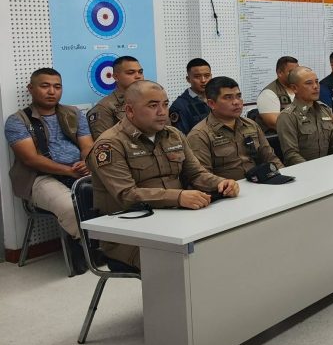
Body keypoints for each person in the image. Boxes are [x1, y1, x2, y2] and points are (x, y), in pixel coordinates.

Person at [88, 80, 239, 270]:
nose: (162, 112)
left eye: (165, 104)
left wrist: (221, 183)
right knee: (185, 266)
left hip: (175, 221)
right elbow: (127, 195)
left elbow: (195, 173)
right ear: (130, 110)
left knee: (224, 246)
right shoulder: (110, 144)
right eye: (153, 106)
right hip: (130, 232)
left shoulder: (173, 135)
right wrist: (178, 197)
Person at [5, 68, 93, 273]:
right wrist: (68, 171)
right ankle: (84, 246)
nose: (52, 91)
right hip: (40, 178)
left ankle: (107, 244)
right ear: (31, 88)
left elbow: (87, 145)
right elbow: (30, 159)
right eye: (45, 86)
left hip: (78, 171)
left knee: (114, 191)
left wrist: (86, 162)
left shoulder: (73, 113)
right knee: (71, 206)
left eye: (57, 86)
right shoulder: (18, 121)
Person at [187, 76, 282, 178]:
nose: (236, 102)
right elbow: (202, 175)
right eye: (228, 97)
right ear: (211, 103)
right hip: (226, 187)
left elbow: (270, 158)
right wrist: (225, 184)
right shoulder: (199, 134)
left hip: (258, 181)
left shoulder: (251, 125)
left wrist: (285, 174)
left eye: (238, 96)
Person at [277, 67, 333, 164]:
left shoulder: (325, 110)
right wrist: (313, 170)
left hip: (328, 166)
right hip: (302, 169)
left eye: (316, 82)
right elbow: (291, 155)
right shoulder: (288, 116)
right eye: (309, 83)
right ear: (294, 88)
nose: (316, 86)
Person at [87, 55, 143, 138]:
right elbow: (104, 142)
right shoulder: (104, 108)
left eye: (140, 72)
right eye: (131, 73)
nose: (138, 76)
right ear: (116, 77)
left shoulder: (150, 100)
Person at [168, 58, 212, 134]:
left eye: (207, 76)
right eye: (197, 76)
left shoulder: (216, 98)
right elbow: (181, 137)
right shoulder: (180, 106)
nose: (203, 80)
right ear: (188, 79)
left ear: (211, 76)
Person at [256, 55, 298, 131]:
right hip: (279, 136)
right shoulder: (268, 93)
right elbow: (275, 123)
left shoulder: (301, 87)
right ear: (279, 73)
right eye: (291, 72)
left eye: (297, 71)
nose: (296, 74)